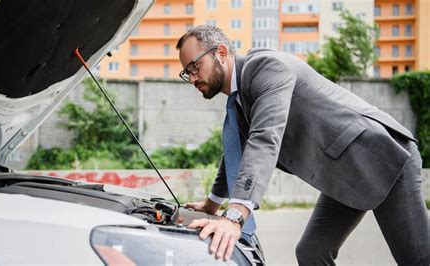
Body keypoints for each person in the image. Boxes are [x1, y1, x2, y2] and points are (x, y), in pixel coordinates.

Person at [176, 25, 429, 265]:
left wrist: (234, 216)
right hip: (344, 174)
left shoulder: (265, 68)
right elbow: (234, 152)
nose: (193, 78)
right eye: (187, 72)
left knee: (417, 260)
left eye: (195, 66)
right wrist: (212, 203)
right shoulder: (240, 98)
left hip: (383, 158)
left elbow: (265, 138)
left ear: (221, 52)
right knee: (312, 253)